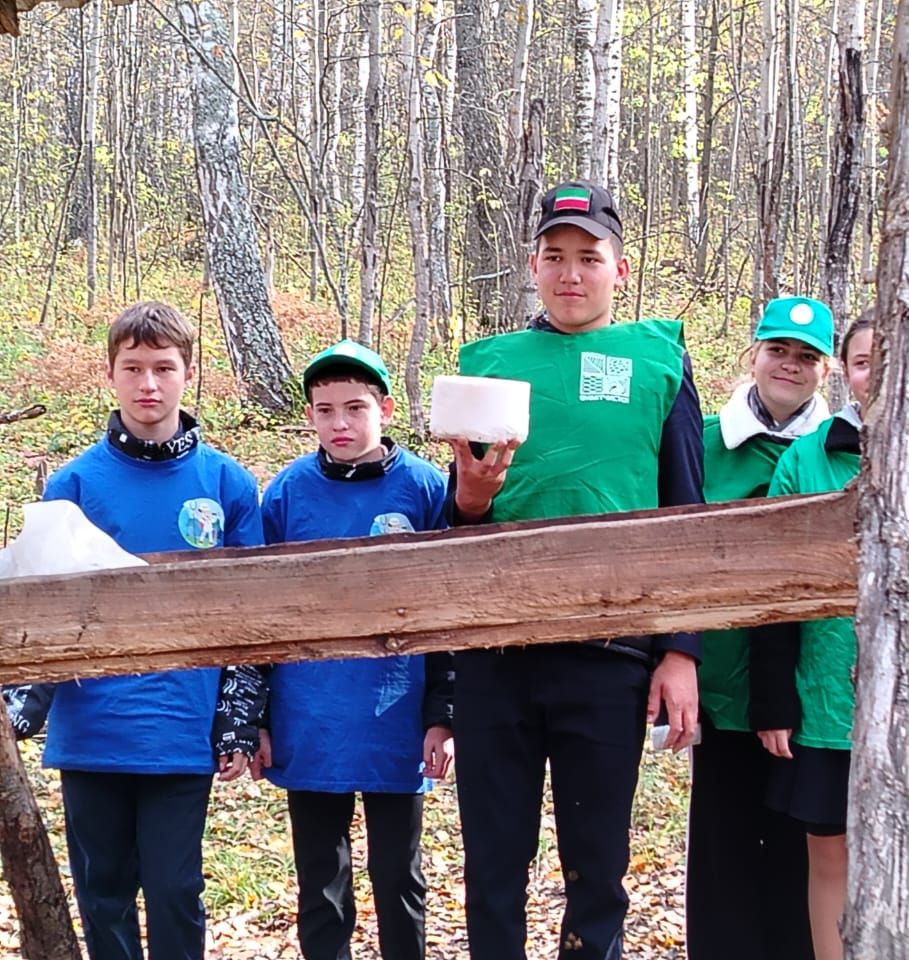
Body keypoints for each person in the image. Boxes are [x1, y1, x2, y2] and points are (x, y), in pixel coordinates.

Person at [446, 180, 704, 960]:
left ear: (618, 271)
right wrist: (469, 498)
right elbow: (459, 529)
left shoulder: (658, 361)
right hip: (497, 656)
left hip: (609, 657)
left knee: (598, 866)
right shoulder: (488, 366)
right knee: (494, 864)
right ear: (532, 265)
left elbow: (685, 512)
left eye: (588, 258)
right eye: (554, 257)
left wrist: (681, 648)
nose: (570, 274)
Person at [9, 301, 265, 960]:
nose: (148, 384)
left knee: (176, 889)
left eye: (163, 367)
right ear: (111, 375)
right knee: (104, 892)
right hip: (94, 731)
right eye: (133, 368)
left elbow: (252, 617)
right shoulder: (74, 484)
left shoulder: (226, 484)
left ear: (188, 372)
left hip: (181, 730)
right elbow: (43, 608)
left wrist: (237, 720)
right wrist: (20, 708)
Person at [754, 314, 909, 960]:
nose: (875, 375)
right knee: (828, 854)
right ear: (844, 373)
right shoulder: (807, 457)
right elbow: (774, 590)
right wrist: (773, 701)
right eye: (861, 362)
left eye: (890, 361)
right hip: (825, 702)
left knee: (896, 848)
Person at [255, 340, 453, 960]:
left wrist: (443, 714)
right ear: (310, 414)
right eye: (325, 410)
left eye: (355, 408)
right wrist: (257, 718)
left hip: (396, 715)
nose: (340, 424)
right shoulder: (287, 493)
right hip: (309, 717)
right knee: (322, 881)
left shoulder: (424, 488)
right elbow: (258, 613)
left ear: (386, 410)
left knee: (399, 876)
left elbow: (450, 609)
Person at [686, 296, 835, 960]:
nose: (790, 366)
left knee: (801, 858)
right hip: (721, 684)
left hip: (812, 689)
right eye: (778, 351)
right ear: (754, 356)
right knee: (724, 851)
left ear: (824, 372)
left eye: (807, 357)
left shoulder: (837, 449)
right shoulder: (704, 442)